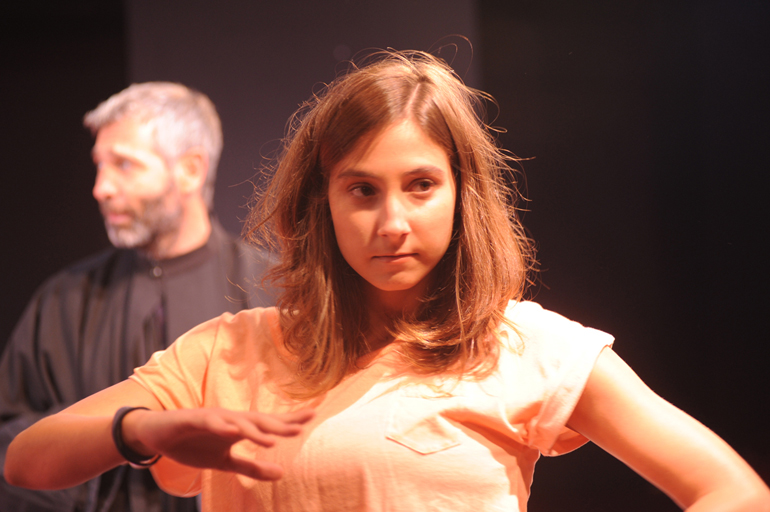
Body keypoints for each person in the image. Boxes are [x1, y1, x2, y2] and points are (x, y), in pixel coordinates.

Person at [4, 51, 770, 511]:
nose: (392, 222)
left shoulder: (523, 344)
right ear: (324, 203)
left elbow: (735, 491)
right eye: (362, 190)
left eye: (421, 186)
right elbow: (28, 458)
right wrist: (144, 431)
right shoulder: (230, 349)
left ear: (462, 194)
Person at [0, 82, 273, 512]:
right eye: (99, 166)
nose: (101, 188)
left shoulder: (270, 289)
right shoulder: (65, 300)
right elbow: (11, 436)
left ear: (190, 170)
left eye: (124, 164)